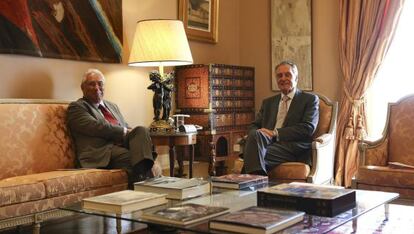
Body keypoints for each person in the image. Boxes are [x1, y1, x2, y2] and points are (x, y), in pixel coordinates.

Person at [67, 69, 155, 187]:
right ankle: (146, 191)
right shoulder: (77, 107)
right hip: (101, 152)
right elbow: (96, 127)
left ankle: (145, 189)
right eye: (92, 84)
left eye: (100, 84)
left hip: (121, 145)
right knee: (136, 159)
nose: (97, 87)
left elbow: (125, 126)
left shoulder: (112, 106)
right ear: (83, 87)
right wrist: (124, 131)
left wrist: (129, 131)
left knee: (141, 130)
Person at [243, 61, 319, 175]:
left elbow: (308, 128)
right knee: (255, 135)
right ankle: (257, 182)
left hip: (293, 147)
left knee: (253, 154)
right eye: (279, 75)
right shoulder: (268, 102)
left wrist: (275, 133)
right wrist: (258, 133)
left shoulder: (309, 99)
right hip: (267, 143)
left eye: (287, 75)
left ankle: (254, 184)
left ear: (296, 78)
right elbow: (254, 125)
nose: (283, 78)